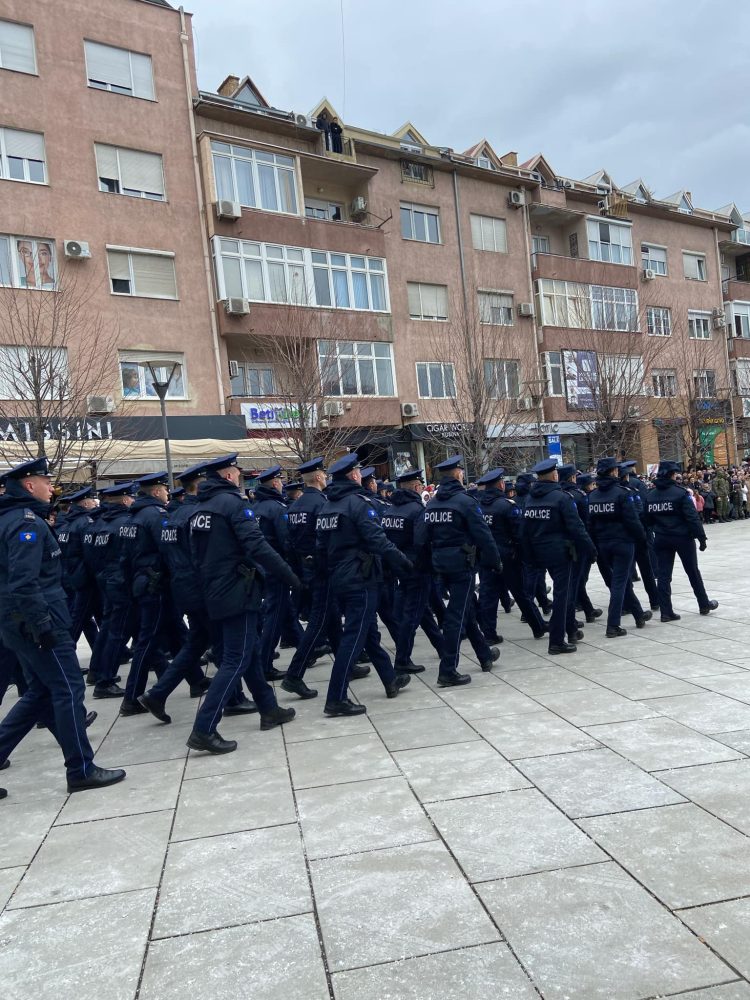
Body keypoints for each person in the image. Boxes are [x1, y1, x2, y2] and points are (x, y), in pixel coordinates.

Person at [0, 457, 125, 794]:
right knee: (68, 689)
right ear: (29, 485)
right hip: (38, 623)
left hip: (19, 622)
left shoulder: (10, 519)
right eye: (45, 481)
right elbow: (24, 583)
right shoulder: (26, 524)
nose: (50, 488)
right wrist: (42, 625)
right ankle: (81, 769)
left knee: (41, 693)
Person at [186, 453, 300, 753]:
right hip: (238, 590)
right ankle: (204, 728)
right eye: (236, 470)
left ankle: (269, 708)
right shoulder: (234, 504)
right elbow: (257, 546)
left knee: (246, 652)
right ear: (227, 475)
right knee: (236, 658)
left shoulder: (200, 509)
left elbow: (194, 555)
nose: (239, 474)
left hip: (215, 590)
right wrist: (291, 577)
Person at [316, 453, 413, 716]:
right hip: (361, 577)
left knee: (367, 633)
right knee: (354, 638)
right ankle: (336, 698)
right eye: (358, 472)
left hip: (340, 577)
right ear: (354, 476)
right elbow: (377, 541)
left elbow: (321, 547)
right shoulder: (358, 504)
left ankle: (390, 678)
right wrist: (403, 562)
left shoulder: (328, 506)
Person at [418, 455, 502, 686]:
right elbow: (483, 535)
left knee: (465, 610)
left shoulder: (432, 503)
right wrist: (495, 560)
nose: (463, 474)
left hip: (439, 564)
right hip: (461, 565)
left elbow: (421, 538)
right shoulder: (465, 502)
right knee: (456, 616)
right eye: (461, 471)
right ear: (456, 475)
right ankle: (447, 670)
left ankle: (484, 654)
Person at [281, 456, 345, 701]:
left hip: (306, 569)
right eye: (324, 474)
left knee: (331, 619)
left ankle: (345, 664)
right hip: (323, 569)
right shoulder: (322, 504)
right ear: (318, 477)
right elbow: (326, 540)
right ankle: (294, 674)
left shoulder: (294, 506)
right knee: (319, 621)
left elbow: (289, 543)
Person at [520, 458, 596, 655]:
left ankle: (570, 630)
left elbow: (524, 531)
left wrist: (528, 556)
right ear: (554, 475)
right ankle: (556, 641)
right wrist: (590, 549)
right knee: (563, 595)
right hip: (560, 553)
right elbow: (576, 527)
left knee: (564, 594)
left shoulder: (530, 499)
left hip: (537, 552)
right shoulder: (562, 498)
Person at [119, 472, 174, 715]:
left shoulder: (132, 518)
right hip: (155, 583)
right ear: (155, 492)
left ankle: (195, 679)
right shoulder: (155, 516)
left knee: (171, 634)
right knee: (147, 640)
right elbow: (168, 550)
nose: (167, 493)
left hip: (140, 582)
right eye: (164, 489)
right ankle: (132, 698)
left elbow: (124, 557)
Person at [381, 468, 445, 670]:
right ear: (417, 487)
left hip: (400, 567)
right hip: (418, 568)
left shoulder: (390, 510)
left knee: (422, 612)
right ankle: (402, 660)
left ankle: (443, 649)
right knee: (412, 616)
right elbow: (422, 541)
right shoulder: (418, 510)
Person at [476, 468, 547, 640]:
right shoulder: (507, 506)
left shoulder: (478, 507)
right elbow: (519, 535)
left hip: (486, 557)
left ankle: (489, 633)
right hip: (508, 557)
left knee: (488, 595)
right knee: (521, 593)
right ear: (501, 484)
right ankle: (538, 626)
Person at [646, 461, 718, 621]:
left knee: (664, 575)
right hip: (683, 538)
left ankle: (666, 612)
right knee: (692, 571)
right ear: (673, 475)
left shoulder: (650, 495)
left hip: (661, 538)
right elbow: (692, 518)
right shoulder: (681, 493)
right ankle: (704, 603)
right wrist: (701, 538)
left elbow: (647, 520)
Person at [587, 458, 650, 638]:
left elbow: (590, 524)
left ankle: (639, 614)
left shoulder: (592, 496)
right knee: (619, 583)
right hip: (622, 543)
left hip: (603, 544)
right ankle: (613, 625)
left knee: (619, 580)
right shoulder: (622, 493)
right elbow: (632, 521)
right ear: (614, 472)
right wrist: (642, 538)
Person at [253, 465, 302, 679]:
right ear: (275, 483)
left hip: (261, 566)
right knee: (274, 615)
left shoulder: (255, 508)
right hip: (277, 567)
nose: (282, 483)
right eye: (280, 480)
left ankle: (305, 647)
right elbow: (286, 541)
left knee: (283, 609)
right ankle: (264, 663)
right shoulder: (276, 508)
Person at [619, 461, 660, 612]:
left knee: (624, 572)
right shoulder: (633, 488)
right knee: (647, 568)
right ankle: (655, 601)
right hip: (638, 533)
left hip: (621, 538)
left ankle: (626, 604)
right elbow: (642, 508)